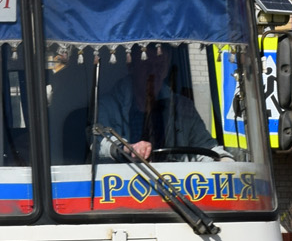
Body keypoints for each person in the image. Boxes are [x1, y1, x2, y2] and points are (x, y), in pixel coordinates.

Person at [96, 44, 224, 162]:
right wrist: (127, 149)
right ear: (131, 67)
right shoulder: (107, 107)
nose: (153, 72)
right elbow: (98, 142)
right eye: (146, 65)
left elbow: (206, 147)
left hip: (172, 185)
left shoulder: (183, 108)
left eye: (160, 66)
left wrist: (224, 160)